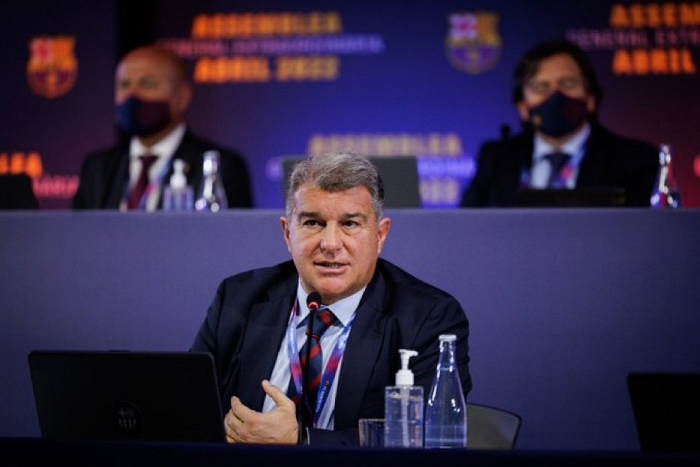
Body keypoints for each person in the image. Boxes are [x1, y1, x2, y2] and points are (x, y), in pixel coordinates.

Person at [191, 152, 471, 446]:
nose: (330, 244)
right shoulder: (238, 300)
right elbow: (187, 411)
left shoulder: (428, 318)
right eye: (313, 223)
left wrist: (302, 440)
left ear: (380, 235)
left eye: (350, 224)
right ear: (288, 233)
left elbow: (426, 436)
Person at [460, 39, 659, 208]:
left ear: (591, 98)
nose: (555, 96)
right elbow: (469, 227)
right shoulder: (496, 159)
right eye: (541, 87)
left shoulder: (635, 160)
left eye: (567, 84)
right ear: (523, 107)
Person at [72, 45, 253, 210]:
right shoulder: (98, 168)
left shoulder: (220, 166)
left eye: (147, 84)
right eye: (124, 85)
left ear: (182, 97)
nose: (132, 94)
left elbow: (229, 233)